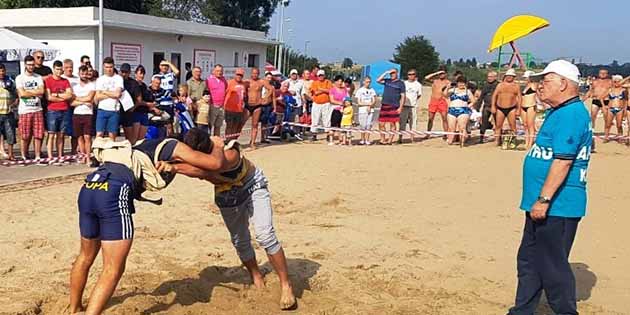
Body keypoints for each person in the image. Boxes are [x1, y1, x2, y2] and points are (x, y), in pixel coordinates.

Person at [69, 136, 228, 315]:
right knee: (113, 268)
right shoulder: (174, 146)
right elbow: (215, 164)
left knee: (85, 257)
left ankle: (74, 308)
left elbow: (201, 172)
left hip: (90, 187)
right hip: (115, 193)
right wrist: (218, 146)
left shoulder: (149, 145)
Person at [157, 128, 297, 311]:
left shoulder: (229, 151)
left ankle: (286, 285)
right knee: (240, 241)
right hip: (227, 195)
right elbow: (192, 166)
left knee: (265, 234)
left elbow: (212, 168)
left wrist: (177, 166)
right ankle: (256, 276)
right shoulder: (197, 157)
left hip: (252, 185)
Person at [508, 59, 592, 315]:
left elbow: (563, 162)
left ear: (564, 84)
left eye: (545, 81)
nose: (540, 86)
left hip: (558, 204)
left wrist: (543, 200)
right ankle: (522, 311)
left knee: (552, 267)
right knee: (530, 261)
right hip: (543, 203)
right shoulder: (559, 111)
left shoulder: (571, 114)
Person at [16, 56, 45, 163]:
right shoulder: (20, 78)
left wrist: (28, 92)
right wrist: (34, 92)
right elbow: (22, 94)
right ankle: (24, 155)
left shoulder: (38, 77)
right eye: (29, 64)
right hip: (25, 110)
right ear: (25, 65)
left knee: (38, 134)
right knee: (25, 135)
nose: (31, 66)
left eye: (32, 64)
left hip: (37, 109)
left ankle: (37, 156)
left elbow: (42, 91)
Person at [44, 60, 73, 164]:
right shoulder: (48, 80)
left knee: (61, 134)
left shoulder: (65, 81)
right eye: (57, 69)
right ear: (53, 69)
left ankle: (60, 155)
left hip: (64, 110)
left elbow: (69, 95)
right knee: (51, 134)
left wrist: (57, 95)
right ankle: (50, 156)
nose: (59, 71)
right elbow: (49, 97)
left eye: (61, 69)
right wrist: (62, 97)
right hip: (52, 110)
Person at [71, 66, 96, 164]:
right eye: (82, 73)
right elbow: (72, 102)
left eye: (86, 74)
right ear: (79, 73)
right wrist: (84, 100)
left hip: (88, 113)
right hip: (77, 113)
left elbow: (90, 99)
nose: (84, 75)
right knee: (79, 137)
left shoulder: (91, 85)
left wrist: (78, 99)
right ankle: (83, 156)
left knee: (87, 137)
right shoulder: (74, 86)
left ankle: (88, 157)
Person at [94, 57, 124, 141]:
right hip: (102, 110)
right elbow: (98, 96)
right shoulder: (100, 79)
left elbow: (117, 94)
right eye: (106, 67)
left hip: (114, 111)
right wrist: (112, 93)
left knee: (112, 135)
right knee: (99, 134)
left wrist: (104, 92)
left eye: (110, 67)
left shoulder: (118, 78)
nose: (109, 69)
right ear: (103, 67)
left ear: (113, 66)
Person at [491, 68, 522, 148]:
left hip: (511, 108)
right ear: (505, 76)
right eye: (508, 76)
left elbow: (519, 98)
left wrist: (518, 110)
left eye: (511, 76)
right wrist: (493, 106)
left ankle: (513, 141)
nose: (509, 77)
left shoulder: (516, 86)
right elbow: (494, 96)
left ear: (513, 77)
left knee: (513, 126)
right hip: (500, 107)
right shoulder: (500, 85)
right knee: (498, 125)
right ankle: (497, 140)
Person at [245, 68, 274, 149]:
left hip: (257, 105)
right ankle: (235, 141)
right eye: (253, 73)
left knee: (255, 125)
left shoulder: (261, 82)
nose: (255, 75)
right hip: (248, 105)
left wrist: (265, 98)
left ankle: (252, 142)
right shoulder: (247, 81)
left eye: (256, 73)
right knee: (241, 123)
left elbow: (271, 89)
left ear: (258, 74)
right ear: (251, 73)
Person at [377, 68, 406, 145]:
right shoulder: (387, 81)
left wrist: (400, 107)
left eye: (393, 73)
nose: (392, 74)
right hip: (385, 104)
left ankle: (390, 140)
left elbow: (403, 96)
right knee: (381, 123)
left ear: (397, 73)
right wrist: (386, 72)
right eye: (391, 73)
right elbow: (378, 80)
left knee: (392, 124)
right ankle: (382, 139)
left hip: (394, 105)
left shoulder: (401, 83)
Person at [444, 76, 475, 145]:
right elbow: (445, 95)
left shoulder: (468, 91)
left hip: (463, 110)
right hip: (452, 110)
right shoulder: (453, 90)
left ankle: (462, 141)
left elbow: (473, 101)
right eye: (460, 83)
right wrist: (447, 88)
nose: (461, 84)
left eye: (463, 83)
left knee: (462, 127)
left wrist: (468, 106)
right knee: (451, 127)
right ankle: (450, 141)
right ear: (457, 83)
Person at [119, 63, 143, 144]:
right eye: (122, 72)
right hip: (116, 111)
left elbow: (139, 99)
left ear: (129, 72)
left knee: (129, 138)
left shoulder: (133, 83)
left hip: (128, 112)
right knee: (112, 136)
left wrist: (133, 107)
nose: (124, 74)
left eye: (126, 72)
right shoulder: (116, 81)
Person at [424, 67, 450, 138]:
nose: (441, 75)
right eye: (440, 73)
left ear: (446, 74)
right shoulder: (435, 81)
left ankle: (446, 134)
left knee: (444, 118)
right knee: (430, 118)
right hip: (433, 100)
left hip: (442, 100)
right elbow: (426, 78)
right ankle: (428, 133)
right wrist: (436, 73)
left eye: (443, 73)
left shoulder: (447, 82)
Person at [473, 71, 498, 143]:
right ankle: (481, 138)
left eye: (490, 77)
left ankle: (498, 139)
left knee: (498, 123)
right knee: (484, 122)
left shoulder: (498, 85)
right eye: (488, 77)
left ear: (495, 77)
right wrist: (477, 106)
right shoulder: (485, 85)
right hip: (486, 106)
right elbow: (481, 97)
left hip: (496, 106)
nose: (489, 78)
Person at [224, 68, 247, 140]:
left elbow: (245, 96)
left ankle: (232, 141)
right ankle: (227, 141)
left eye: (241, 75)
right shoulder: (229, 83)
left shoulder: (243, 84)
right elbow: (224, 93)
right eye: (238, 75)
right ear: (235, 75)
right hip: (229, 108)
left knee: (236, 126)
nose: (239, 76)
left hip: (239, 109)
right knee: (229, 126)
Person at [132, 65, 155, 142]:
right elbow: (137, 101)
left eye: (143, 74)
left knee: (141, 139)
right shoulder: (133, 84)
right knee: (134, 137)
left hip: (144, 113)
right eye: (140, 73)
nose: (141, 75)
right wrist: (147, 104)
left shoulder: (144, 86)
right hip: (136, 112)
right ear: (135, 74)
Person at [309, 70, 333, 141]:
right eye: (319, 75)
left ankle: (328, 134)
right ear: (317, 76)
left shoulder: (328, 82)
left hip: (326, 103)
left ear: (324, 75)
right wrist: (325, 90)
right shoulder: (314, 83)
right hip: (317, 103)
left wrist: (321, 89)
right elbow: (315, 92)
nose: (321, 77)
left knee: (327, 119)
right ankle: (314, 134)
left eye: (322, 75)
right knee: (315, 119)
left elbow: (330, 91)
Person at [0, 63, 17, 161]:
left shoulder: (10, 81)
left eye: (3, 71)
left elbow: (16, 94)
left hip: (8, 111)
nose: (1, 73)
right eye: (0, 71)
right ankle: (2, 151)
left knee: (10, 134)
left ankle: (11, 154)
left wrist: (14, 104)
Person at [400, 69, 422, 143]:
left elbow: (419, 95)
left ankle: (412, 138)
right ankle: (400, 138)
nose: (411, 76)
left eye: (412, 74)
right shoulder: (404, 83)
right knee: (402, 122)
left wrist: (414, 101)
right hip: (404, 106)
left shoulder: (418, 85)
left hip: (413, 106)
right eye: (409, 74)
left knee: (413, 123)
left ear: (415, 75)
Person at [63, 59, 79, 155]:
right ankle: (61, 152)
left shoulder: (77, 79)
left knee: (75, 132)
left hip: (75, 106)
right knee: (62, 132)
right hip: (64, 107)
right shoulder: (61, 78)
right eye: (67, 68)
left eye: (71, 67)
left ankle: (73, 151)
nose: (69, 69)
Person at [186, 66, 210, 134]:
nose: (198, 73)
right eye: (196, 72)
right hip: (193, 105)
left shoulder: (204, 82)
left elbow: (206, 92)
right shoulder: (189, 82)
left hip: (202, 107)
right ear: (193, 73)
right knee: (193, 125)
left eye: (199, 72)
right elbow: (187, 95)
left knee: (201, 126)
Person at [206, 64, 228, 136]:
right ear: (213, 71)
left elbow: (226, 90)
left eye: (221, 71)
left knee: (218, 126)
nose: (219, 72)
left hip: (221, 106)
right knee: (210, 126)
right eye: (217, 71)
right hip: (213, 106)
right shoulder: (208, 80)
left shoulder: (224, 80)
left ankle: (216, 142)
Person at [354, 76, 377, 145]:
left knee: (368, 125)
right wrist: (367, 104)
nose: (368, 83)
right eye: (367, 82)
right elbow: (359, 102)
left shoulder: (372, 90)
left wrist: (370, 105)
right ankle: (362, 139)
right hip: (362, 110)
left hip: (370, 110)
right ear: (364, 82)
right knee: (362, 125)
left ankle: (367, 139)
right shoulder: (360, 90)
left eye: (369, 82)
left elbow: (374, 100)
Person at [603, 75, 626, 143]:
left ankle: (620, 137)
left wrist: (624, 109)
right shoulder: (610, 90)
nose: (616, 83)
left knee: (619, 125)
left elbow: (625, 100)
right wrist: (604, 106)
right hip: (611, 109)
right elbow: (601, 97)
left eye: (618, 81)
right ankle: (606, 137)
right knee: (608, 124)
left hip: (620, 109)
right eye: (615, 81)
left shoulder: (623, 90)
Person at [521, 71, 539, 149]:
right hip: (523, 106)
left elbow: (539, 93)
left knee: (530, 124)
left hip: (531, 105)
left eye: (526, 78)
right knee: (525, 125)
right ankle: (526, 141)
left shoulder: (534, 85)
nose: (525, 79)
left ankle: (530, 142)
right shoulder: (525, 86)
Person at [328, 75, 348, 145]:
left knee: (342, 125)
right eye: (338, 81)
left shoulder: (344, 89)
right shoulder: (332, 90)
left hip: (343, 110)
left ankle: (342, 140)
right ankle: (331, 140)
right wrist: (340, 103)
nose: (340, 83)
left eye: (341, 81)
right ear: (335, 82)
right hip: (335, 109)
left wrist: (345, 104)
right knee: (333, 124)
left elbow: (347, 98)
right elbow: (331, 100)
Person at [259, 72, 276, 144]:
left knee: (265, 123)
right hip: (259, 105)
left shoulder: (272, 87)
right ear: (265, 77)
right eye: (268, 78)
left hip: (267, 106)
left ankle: (263, 137)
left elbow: (273, 98)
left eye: (270, 78)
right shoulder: (261, 85)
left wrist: (274, 108)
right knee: (255, 123)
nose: (269, 79)